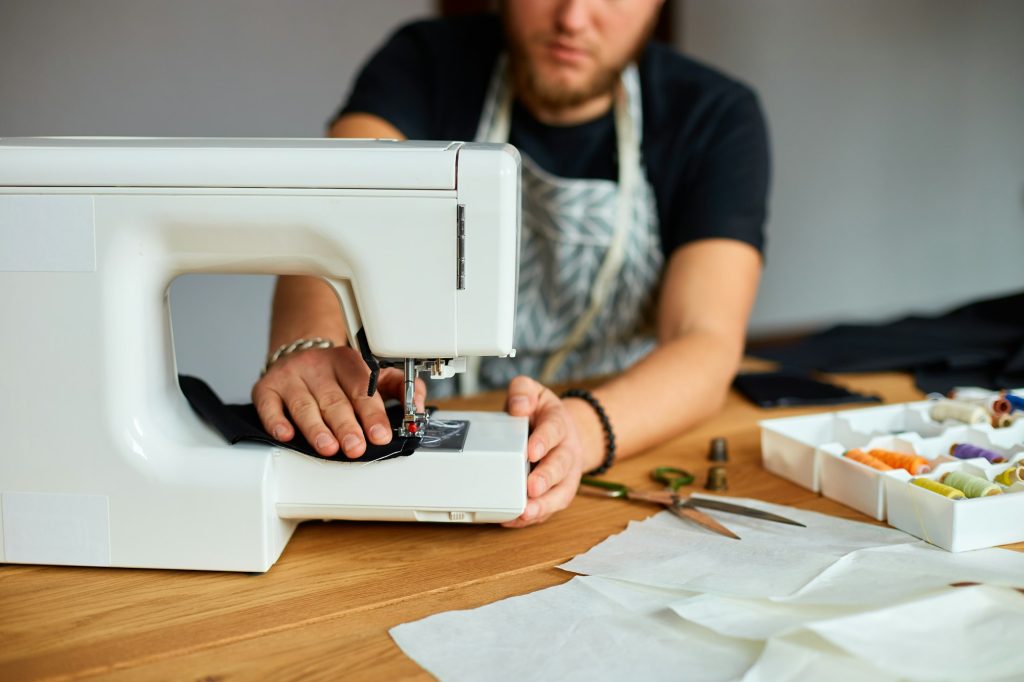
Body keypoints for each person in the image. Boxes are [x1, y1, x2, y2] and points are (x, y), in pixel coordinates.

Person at [253, 0, 769, 528]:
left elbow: (704, 339)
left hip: (618, 421)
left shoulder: (715, 115)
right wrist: (312, 344)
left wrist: (576, 434)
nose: (573, 17)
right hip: (424, 405)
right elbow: (333, 211)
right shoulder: (425, 62)